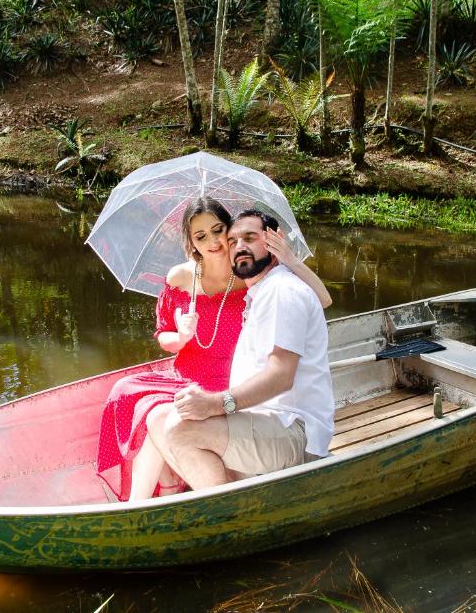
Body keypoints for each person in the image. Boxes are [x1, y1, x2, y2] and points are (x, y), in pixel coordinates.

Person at [95, 199, 330, 502]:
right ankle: (142, 505)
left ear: (273, 241)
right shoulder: (254, 284)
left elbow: (283, 369)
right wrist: (182, 336)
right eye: (234, 240)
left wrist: (289, 258)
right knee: (153, 413)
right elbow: (164, 332)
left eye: (223, 233)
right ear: (191, 243)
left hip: (283, 421)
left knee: (176, 426)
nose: (230, 245)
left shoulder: (278, 289)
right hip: (244, 402)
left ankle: (223, 512)